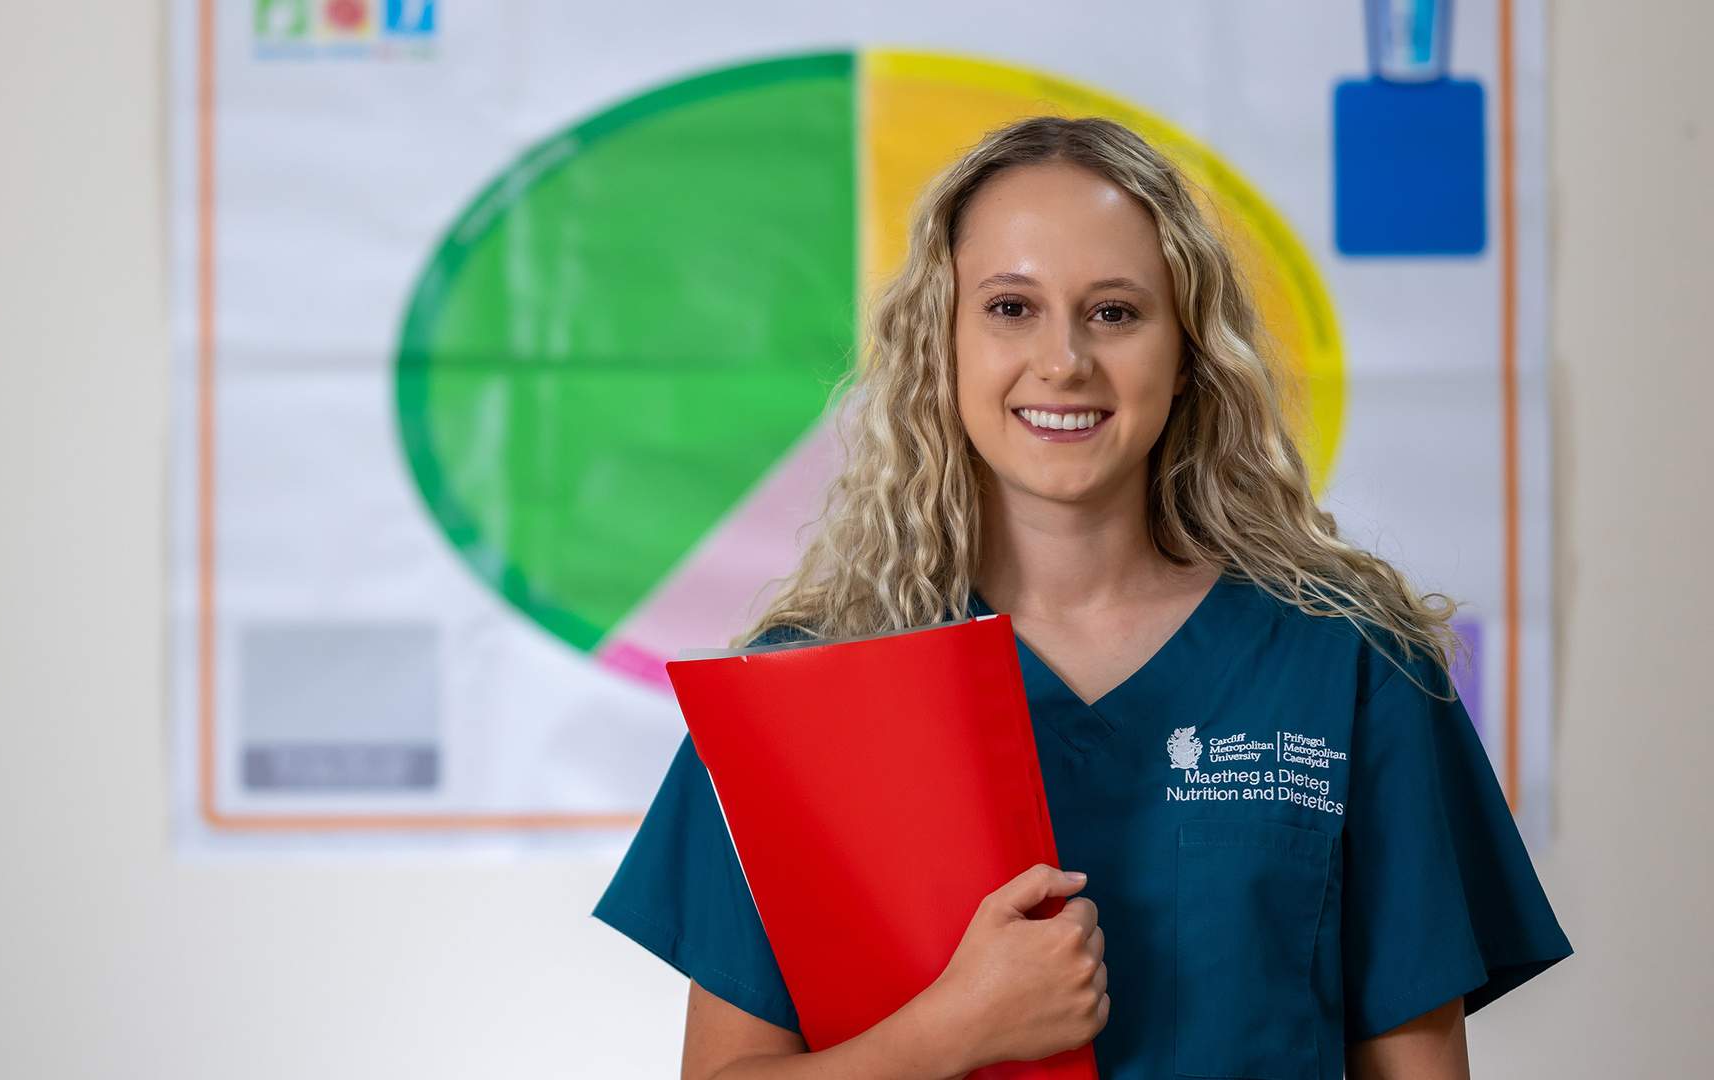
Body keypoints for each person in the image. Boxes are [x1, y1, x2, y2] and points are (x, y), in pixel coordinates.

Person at [591, 115, 1572, 1079]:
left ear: (1186, 354)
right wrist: (951, 1031)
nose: (1064, 360)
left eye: (1114, 311)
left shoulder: (1349, 664)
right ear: (944, 344)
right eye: (1012, 308)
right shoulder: (803, 689)